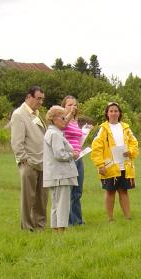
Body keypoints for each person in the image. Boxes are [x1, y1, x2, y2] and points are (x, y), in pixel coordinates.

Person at [91, 102, 139, 222]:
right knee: (110, 192)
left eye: (116, 111)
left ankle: (128, 217)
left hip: (125, 165)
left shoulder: (126, 128)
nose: (113, 113)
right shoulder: (103, 129)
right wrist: (99, 164)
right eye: (111, 111)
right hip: (110, 166)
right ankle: (110, 218)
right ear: (107, 113)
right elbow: (96, 147)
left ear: (119, 113)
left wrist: (130, 151)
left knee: (124, 191)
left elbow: (134, 143)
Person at [10, 86, 48, 230]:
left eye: (42, 99)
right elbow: (16, 141)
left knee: (42, 197)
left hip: (42, 161)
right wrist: (24, 159)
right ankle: (27, 227)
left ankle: (40, 226)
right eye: (38, 98)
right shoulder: (19, 114)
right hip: (29, 162)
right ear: (28, 97)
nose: (41, 102)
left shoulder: (36, 113)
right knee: (28, 198)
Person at [43, 106, 79, 231]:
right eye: (62, 117)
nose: (65, 120)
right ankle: (61, 231)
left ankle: (56, 231)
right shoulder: (55, 134)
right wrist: (72, 155)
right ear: (54, 119)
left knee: (55, 203)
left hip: (55, 175)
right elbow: (59, 154)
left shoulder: (53, 132)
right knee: (62, 204)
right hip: (61, 175)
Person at [61, 95, 89, 225]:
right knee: (69, 191)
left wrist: (84, 132)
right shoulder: (62, 120)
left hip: (79, 158)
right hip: (68, 158)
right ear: (63, 107)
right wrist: (68, 115)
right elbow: (61, 127)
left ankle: (77, 220)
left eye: (75, 105)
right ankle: (68, 221)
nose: (73, 107)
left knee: (77, 191)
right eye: (69, 105)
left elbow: (77, 139)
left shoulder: (75, 121)